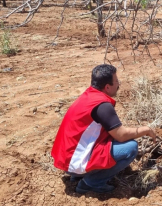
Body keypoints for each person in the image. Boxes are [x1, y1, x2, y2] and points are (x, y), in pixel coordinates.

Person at [51, 64, 156, 194]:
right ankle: (91, 183)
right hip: (74, 163)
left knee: (112, 141)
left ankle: (79, 175)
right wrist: (145, 130)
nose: (118, 85)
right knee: (131, 148)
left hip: (66, 160)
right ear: (107, 87)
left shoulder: (88, 96)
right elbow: (121, 135)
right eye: (116, 82)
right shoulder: (102, 105)